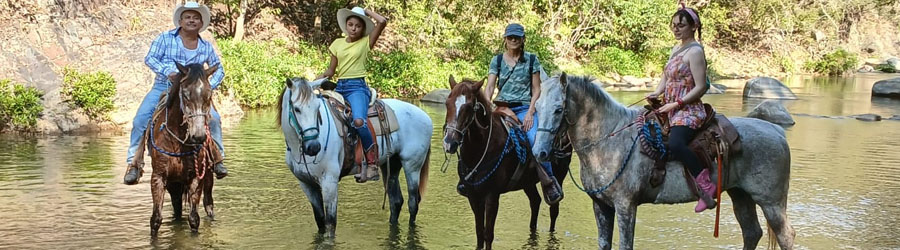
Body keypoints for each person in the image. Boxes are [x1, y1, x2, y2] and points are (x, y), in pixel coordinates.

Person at [123, 1, 227, 185]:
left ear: (201, 24)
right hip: (164, 87)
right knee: (141, 120)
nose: (192, 21)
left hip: (193, 93)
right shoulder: (165, 39)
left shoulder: (206, 46)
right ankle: (134, 164)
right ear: (180, 21)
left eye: (196, 18)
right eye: (188, 17)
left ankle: (217, 159)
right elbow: (151, 58)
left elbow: (219, 69)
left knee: (215, 120)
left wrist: (206, 86)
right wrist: (167, 72)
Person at [476, 23, 563, 204]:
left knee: (536, 141)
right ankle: (470, 178)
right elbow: (490, 86)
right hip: (500, 107)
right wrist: (487, 106)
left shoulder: (532, 60)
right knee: (477, 134)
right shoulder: (497, 60)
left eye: (517, 37)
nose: (513, 40)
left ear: (523, 39)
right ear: (505, 40)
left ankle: (549, 182)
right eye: (510, 37)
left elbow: (536, 89)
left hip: (524, 108)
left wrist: (531, 112)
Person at [645, 5, 715, 212]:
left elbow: (701, 87)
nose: (676, 29)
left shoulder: (695, 52)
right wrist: (657, 93)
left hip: (688, 108)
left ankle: (706, 185)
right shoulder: (676, 49)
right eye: (673, 25)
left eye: (681, 26)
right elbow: (666, 76)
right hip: (670, 105)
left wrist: (678, 103)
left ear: (693, 27)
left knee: (676, 143)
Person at [317, 6, 388, 183]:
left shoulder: (366, 42)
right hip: (339, 86)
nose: (354, 28)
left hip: (357, 87)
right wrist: (315, 81)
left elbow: (383, 22)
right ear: (346, 25)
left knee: (359, 121)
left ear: (363, 28)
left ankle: (372, 163)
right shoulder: (337, 44)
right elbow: (331, 71)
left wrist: (366, 11)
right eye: (350, 24)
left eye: (358, 25)